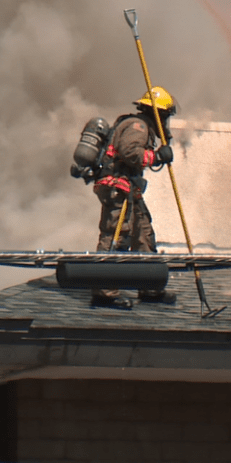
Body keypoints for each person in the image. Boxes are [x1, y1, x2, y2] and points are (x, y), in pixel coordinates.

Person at [80, 86, 178, 309]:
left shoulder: (140, 126)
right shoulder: (138, 126)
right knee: (115, 237)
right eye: (165, 117)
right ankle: (104, 294)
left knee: (143, 233)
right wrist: (156, 156)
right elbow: (130, 152)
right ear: (158, 114)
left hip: (129, 190)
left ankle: (150, 287)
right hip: (118, 189)